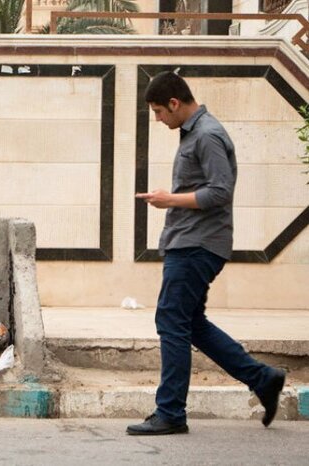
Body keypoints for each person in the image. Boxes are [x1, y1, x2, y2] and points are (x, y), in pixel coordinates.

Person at [127, 71, 286, 436]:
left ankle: (170, 413)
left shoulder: (208, 135)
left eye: (158, 111)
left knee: (170, 321)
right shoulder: (194, 133)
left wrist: (169, 199)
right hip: (190, 241)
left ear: (174, 103)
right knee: (190, 323)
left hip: (197, 245)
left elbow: (220, 192)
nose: (157, 119)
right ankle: (263, 378)